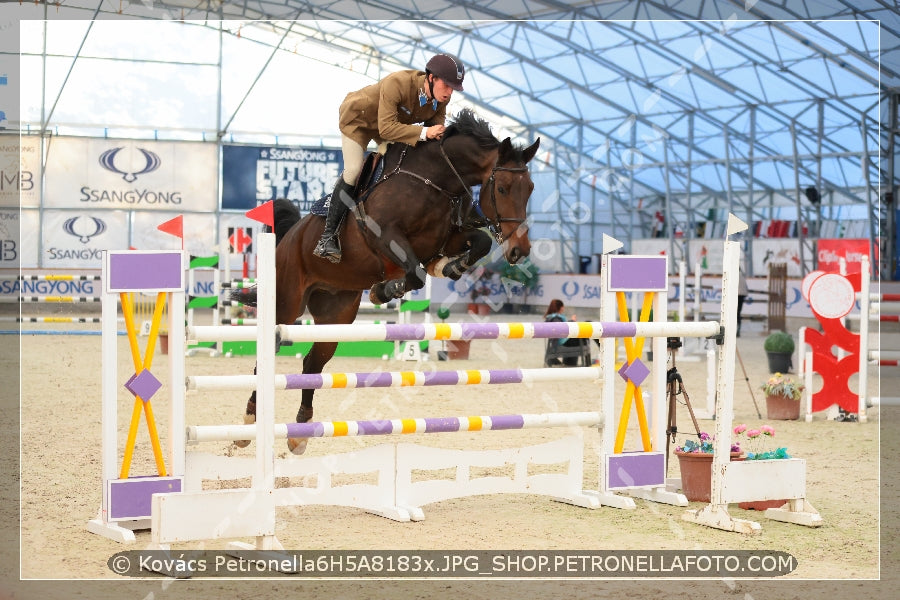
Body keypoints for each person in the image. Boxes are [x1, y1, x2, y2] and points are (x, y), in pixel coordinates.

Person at [314, 53, 466, 263]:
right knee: (354, 169)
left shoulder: (439, 101)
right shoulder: (398, 83)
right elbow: (387, 128)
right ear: (431, 78)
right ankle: (327, 237)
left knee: (401, 164)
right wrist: (424, 133)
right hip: (359, 121)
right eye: (447, 85)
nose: (449, 92)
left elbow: (433, 140)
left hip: (390, 128)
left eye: (453, 88)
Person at [544, 299, 584, 366]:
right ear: (561, 307)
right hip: (562, 342)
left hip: (558, 342)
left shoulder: (551, 317)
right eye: (563, 307)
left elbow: (562, 326)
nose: (563, 308)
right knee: (582, 337)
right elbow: (561, 328)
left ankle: (569, 364)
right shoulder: (556, 318)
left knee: (580, 335)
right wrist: (572, 321)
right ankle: (572, 364)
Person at [737, 267, 749, 337]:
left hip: (737, 295)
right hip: (742, 295)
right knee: (738, 312)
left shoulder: (734, 275)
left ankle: (737, 329)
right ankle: (738, 329)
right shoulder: (742, 275)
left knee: (735, 313)